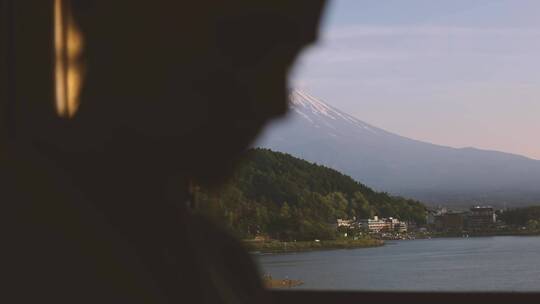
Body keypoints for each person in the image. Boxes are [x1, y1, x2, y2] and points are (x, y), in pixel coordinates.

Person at [1, 1, 326, 303]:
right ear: (137, 36)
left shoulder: (217, 259)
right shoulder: (214, 264)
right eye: (248, 54)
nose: (278, 105)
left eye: (287, 63)